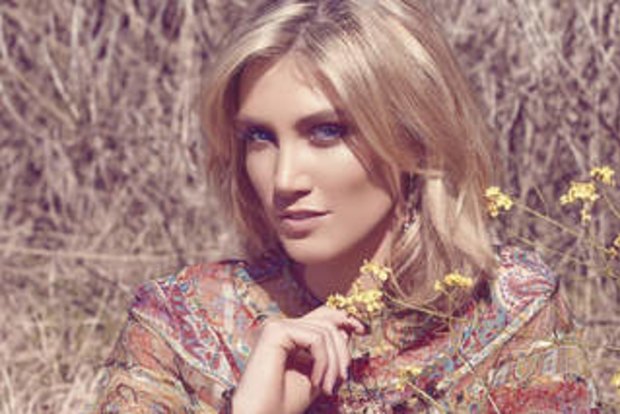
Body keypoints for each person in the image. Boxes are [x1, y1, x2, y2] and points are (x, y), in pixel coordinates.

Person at [94, 1, 598, 412]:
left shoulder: (505, 310)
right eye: (259, 137)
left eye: (326, 131)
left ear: (415, 138)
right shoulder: (182, 325)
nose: (285, 180)